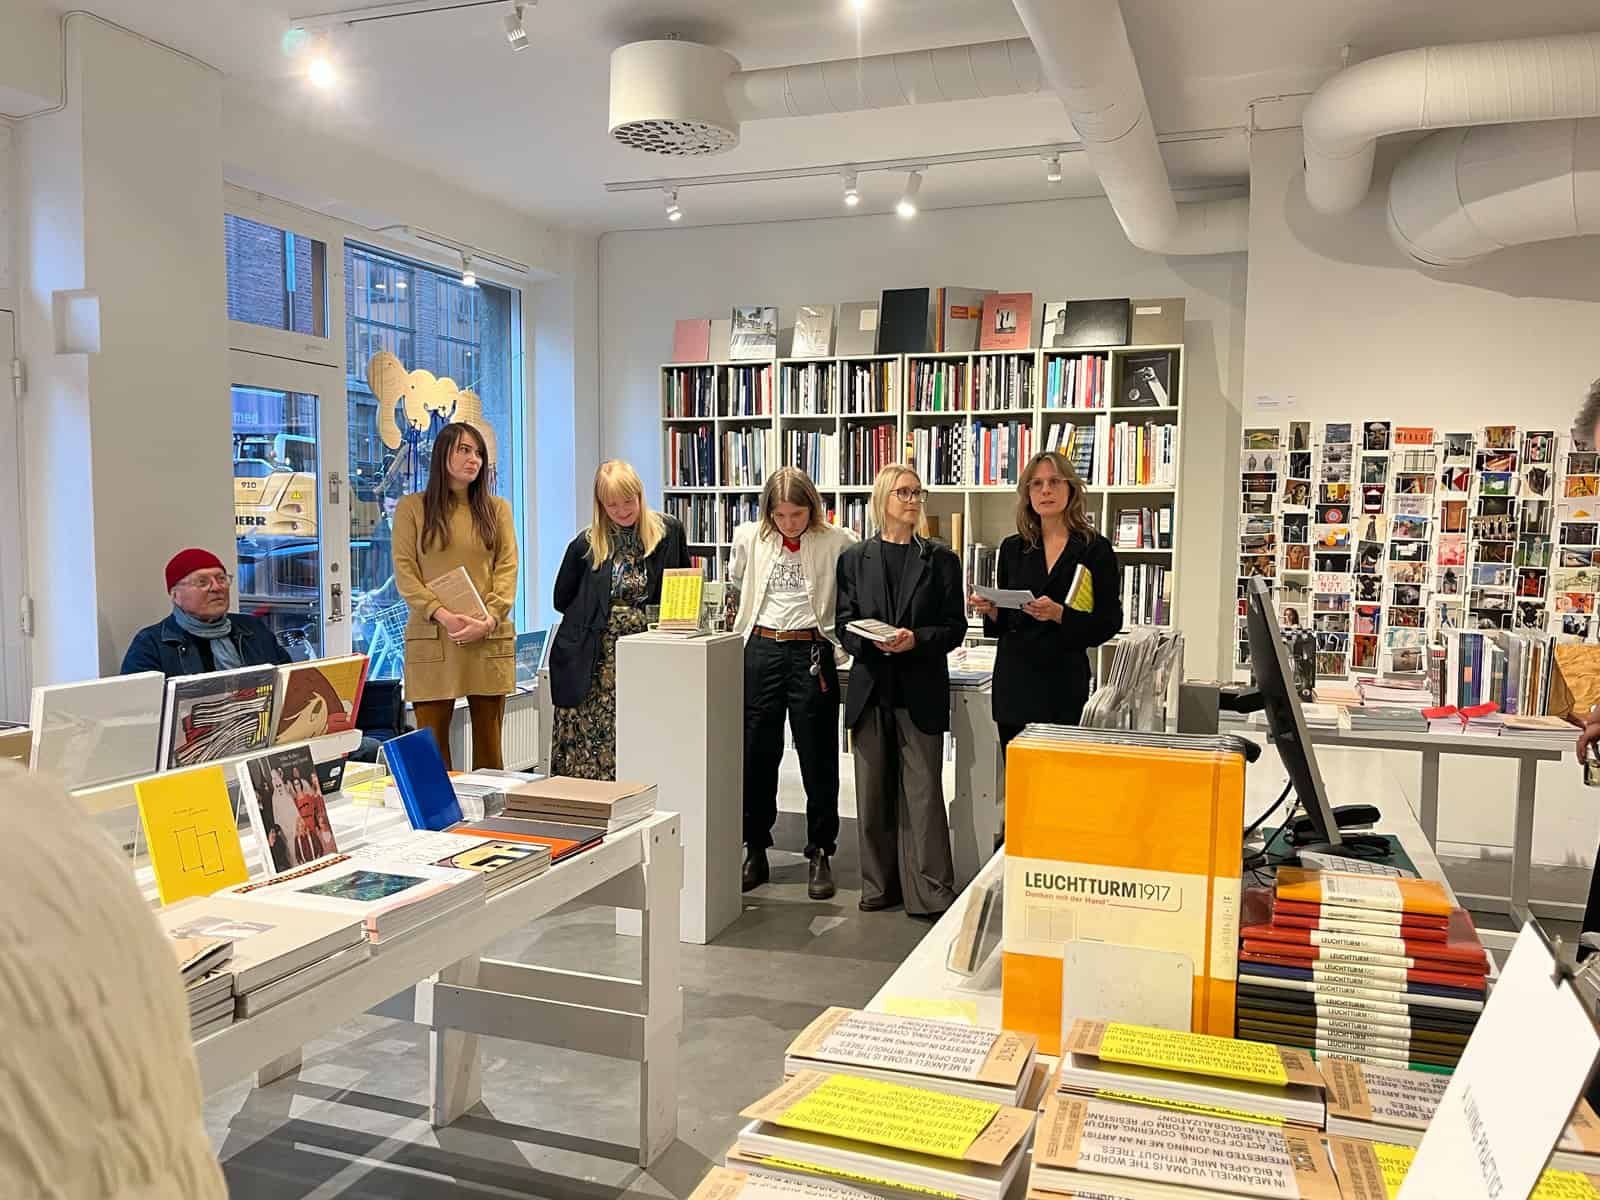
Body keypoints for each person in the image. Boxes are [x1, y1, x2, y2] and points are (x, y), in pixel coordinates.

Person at [835, 464, 967, 918]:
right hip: (871, 688)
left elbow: (954, 627)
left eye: (917, 493)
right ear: (882, 499)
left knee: (924, 795)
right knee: (871, 795)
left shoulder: (941, 560)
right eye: (903, 493)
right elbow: (842, 624)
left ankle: (930, 890)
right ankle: (878, 886)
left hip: (919, 689)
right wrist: (868, 640)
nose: (913, 501)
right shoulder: (854, 559)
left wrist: (916, 640)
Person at [727, 467, 857, 897]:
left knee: (819, 758)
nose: (788, 523)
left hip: (810, 652)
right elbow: (737, 581)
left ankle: (820, 850)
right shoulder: (749, 538)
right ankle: (755, 848)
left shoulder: (838, 541)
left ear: (812, 509)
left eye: (797, 515)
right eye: (779, 515)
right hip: (761, 648)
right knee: (756, 755)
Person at [968, 450, 1123, 754]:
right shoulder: (1013, 548)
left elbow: (1109, 622)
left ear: (1071, 489)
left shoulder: (1094, 549)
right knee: (1019, 778)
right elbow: (1008, 623)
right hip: (1015, 685)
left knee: (1059, 778)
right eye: (1036, 484)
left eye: (1054, 482)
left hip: (1063, 685)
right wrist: (993, 610)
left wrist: (1060, 614)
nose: (1046, 491)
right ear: (1027, 494)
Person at [550, 460, 689, 780]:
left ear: (640, 495)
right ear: (600, 505)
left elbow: (682, 584)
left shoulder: (668, 532)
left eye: (628, 501)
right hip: (595, 660)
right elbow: (562, 599)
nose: (622, 511)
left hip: (647, 653)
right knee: (593, 745)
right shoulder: (586, 543)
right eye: (612, 505)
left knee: (643, 735)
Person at [393, 421, 519, 772]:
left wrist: (489, 619)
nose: (473, 459)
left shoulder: (497, 509)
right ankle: (441, 810)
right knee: (432, 754)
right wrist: (443, 615)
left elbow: (507, 569)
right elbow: (406, 573)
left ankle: (489, 809)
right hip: (434, 635)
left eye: (478, 453)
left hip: (486, 635)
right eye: (464, 450)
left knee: (490, 752)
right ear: (442, 454)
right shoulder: (412, 508)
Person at [121, 548, 290, 677]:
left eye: (221, 579)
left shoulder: (253, 629)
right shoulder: (151, 643)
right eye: (202, 582)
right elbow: (141, 705)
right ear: (175, 595)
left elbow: (286, 681)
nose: (216, 588)